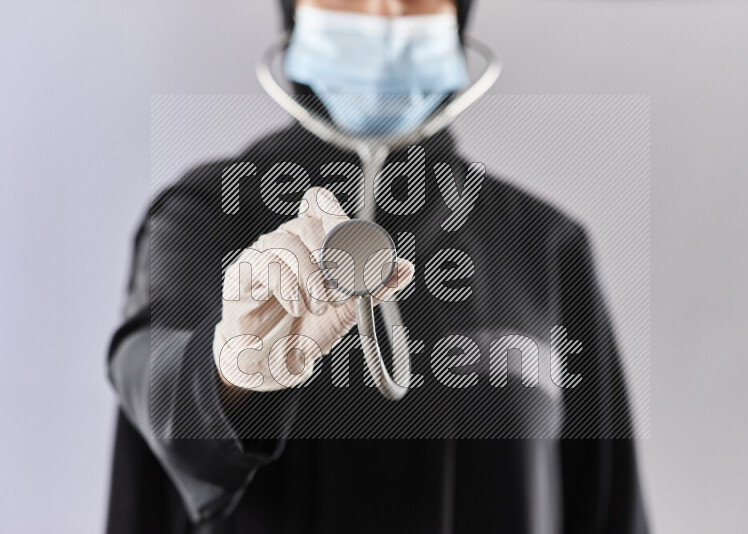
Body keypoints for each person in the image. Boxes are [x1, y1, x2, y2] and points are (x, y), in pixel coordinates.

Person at [106, 0, 649, 532]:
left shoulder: (547, 245)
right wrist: (228, 371)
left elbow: (608, 509)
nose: (386, 10)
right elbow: (154, 384)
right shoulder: (204, 211)